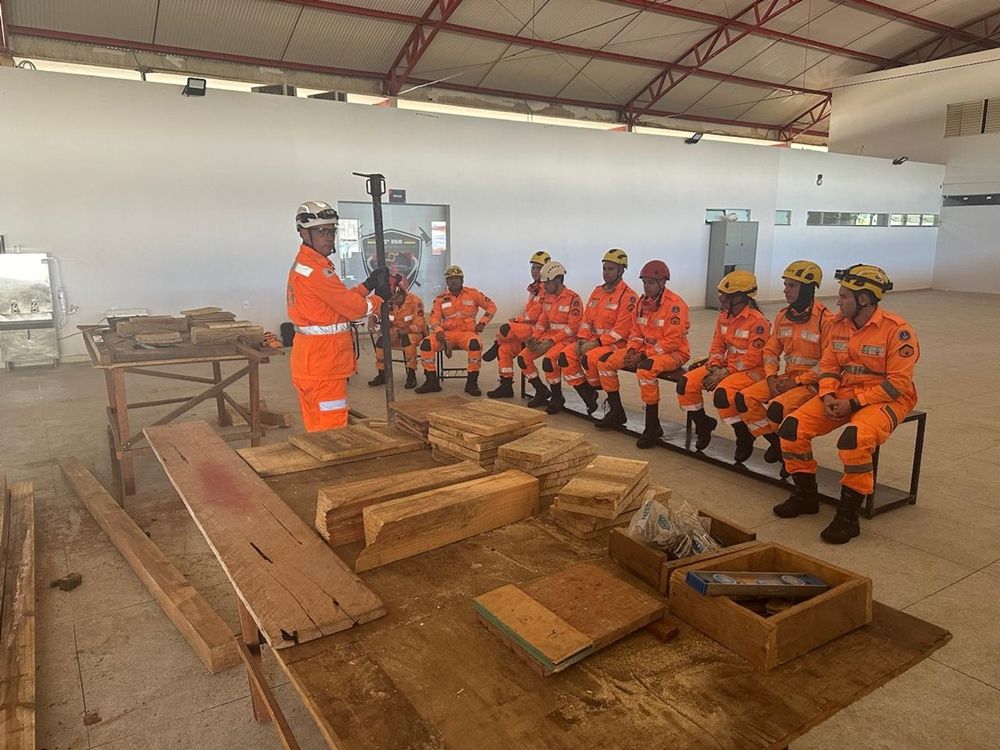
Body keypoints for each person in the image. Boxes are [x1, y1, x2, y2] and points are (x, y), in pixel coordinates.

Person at [776, 264, 918, 544]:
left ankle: (848, 516)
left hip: (886, 398)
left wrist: (854, 403)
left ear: (864, 299)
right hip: (842, 394)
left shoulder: (897, 331)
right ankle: (806, 495)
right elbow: (828, 367)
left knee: (854, 440)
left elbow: (898, 384)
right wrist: (828, 395)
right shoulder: (837, 325)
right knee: (791, 428)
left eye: (844, 297)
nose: (837, 302)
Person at [286, 200, 389, 431]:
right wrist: (379, 298)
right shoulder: (316, 271)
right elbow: (353, 309)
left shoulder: (310, 265)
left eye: (331, 231)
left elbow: (336, 302)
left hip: (313, 360)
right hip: (324, 363)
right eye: (321, 231)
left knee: (317, 426)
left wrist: (367, 285)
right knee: (332, 431)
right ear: (303, 232)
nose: (329, 237)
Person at [726, 261, 834, 466]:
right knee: (744, 398)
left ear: (808, 288)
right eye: (786, 285)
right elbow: (770, 350)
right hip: (786, 378)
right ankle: (777, 444)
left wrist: (799, 381)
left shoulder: (825, 320)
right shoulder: (783, 316)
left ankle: (790, 457)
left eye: (792, 286)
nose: (786, 290)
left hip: (813, 384)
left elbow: (829, 363)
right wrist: (772, 376)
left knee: (777, 407)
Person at [595, 260, 690, 448]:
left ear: (663, 283)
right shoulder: (641, 303)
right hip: (644, 351)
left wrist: (644, 356)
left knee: (645, 370)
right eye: (644, 282)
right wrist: (631, 349)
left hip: (674, 352)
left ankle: (652, 427)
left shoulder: (675, 305)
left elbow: (672, 341)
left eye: (651, 282)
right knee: (605, 362)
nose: (647, 286)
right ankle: (616, 412)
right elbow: (635, 332)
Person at [676, 270, 770, 455]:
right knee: (685, 384)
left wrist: (726, 372)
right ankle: (703, 425)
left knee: (722, 395)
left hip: (752, 370)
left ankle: (743, 435)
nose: (721, 297)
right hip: (727, 366)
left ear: (741, 297)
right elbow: (717, 345)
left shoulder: (758, 323)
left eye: (726, 294)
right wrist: (716, 365)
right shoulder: (724, 316)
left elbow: (753, 358)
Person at [546, 249, 637, 415]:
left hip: (615, 344)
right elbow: (587, 320)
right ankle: (589, 395)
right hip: (592, 340)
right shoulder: (597, 292)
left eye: (611, 269)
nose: (606, 272)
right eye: (604, 268)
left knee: (591, 358)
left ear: (621, 270)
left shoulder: (628, 297)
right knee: (565, 356)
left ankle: (609, 402)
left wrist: (596, 343)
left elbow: (621, 331)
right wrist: (582, 339)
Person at [414, 265, 496, 396]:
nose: (454, 281)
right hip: (446, 334)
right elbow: (434, 318)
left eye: (457, 278)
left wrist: (483, 322)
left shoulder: (474, 294)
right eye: (450, 279)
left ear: (462, 280)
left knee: (475, 345)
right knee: (426, 344)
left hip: (467, 334)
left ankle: (472, 383)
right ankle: (431, 381)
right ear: (447, 282)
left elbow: (491, 307)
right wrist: (438, 330)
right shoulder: (440, 299)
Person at [517, 260, 583, 408]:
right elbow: (542, 321)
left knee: (549, 360)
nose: (544, 286)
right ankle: (541, 391)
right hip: (549, 337)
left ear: (558, 279)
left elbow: (572, 327)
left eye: (547, 283)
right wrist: (534, 337)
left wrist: (551, 341)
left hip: (567, 339)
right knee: (523, 358)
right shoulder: (547, 297)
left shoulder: (573, 298)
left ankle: (557, 397)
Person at [485, 250, 551, 398]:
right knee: (504, 350)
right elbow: (529, 311)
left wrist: (517, 320)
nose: (534, 271)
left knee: (505, 329)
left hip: (541, 330)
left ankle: (496, 342)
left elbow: (536, 313)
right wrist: (518, 320)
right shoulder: (535, 288)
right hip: (530, 328)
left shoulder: (548, 289)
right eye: (533, 267)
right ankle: (507, 386)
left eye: (538, 267)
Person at [367, 273, 426, 390]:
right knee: (380, 343)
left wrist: (399, 333)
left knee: (407, 341)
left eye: (395, 298)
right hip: (393, 333)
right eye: (391, 298)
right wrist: (372, 319)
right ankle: (382, 374)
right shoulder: (388, 301)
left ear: (402, 293)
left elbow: (419, 325)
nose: (393, 301)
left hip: (413, 333)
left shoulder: (415, 302)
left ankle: (411, 374)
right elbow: (378, 313)